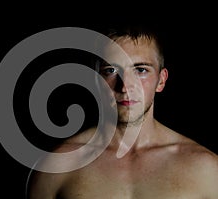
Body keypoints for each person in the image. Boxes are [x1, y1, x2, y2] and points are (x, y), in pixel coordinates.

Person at [26, 24, 218, 198]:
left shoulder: (206, 169)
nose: (125, 87)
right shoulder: (56, 167)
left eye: (140, 70)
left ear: (161, 80)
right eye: (111, 71)